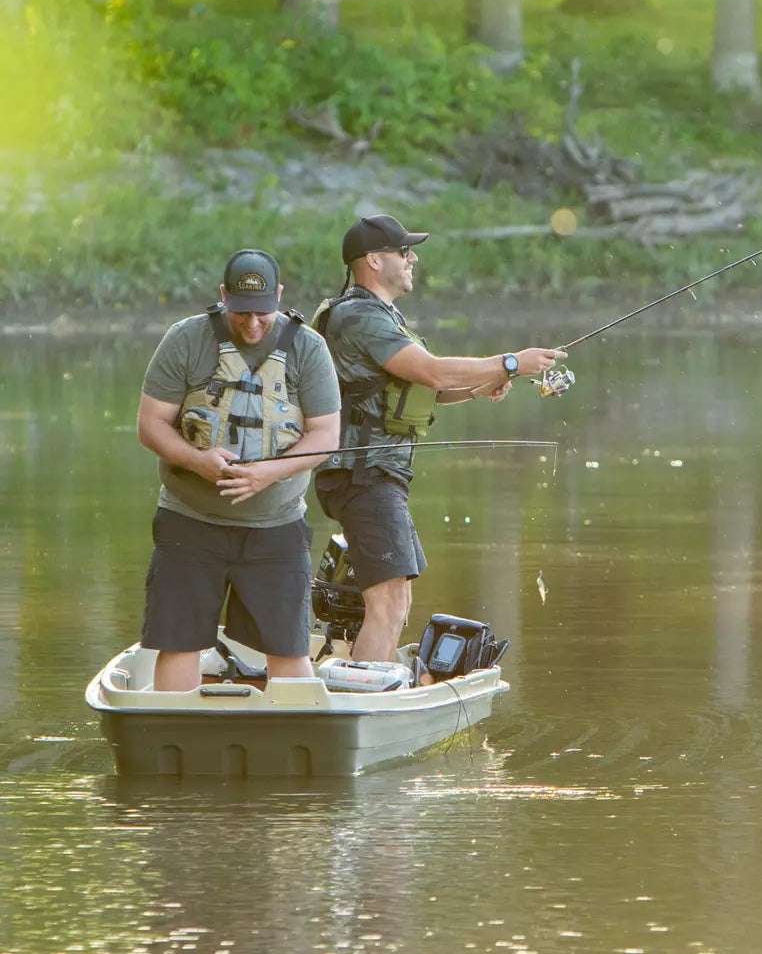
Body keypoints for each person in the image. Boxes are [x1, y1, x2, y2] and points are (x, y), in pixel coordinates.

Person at [312, 214, 566, 663]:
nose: (414, 258)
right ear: (373, 260)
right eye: (404, 251)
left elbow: (434, 388)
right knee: (387, 605)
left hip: (380, 474)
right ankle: (372, 702)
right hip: (362, 474)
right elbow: (431, 369)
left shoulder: (381, 315)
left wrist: (485, 383)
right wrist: (509, 363)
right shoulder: (356, 316)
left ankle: (377, 688)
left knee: (399, 602)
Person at [137, 249, 341, 691]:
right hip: (188, 521)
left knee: (290, 649)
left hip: (277, 527)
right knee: (178, 644)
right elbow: (150, 425)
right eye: (242, 312)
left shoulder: (308, 348)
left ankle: (294, 744)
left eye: (263, 314)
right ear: (224, 296)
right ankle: (176, 743)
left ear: (280, 297)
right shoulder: (186, 339)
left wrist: (269, 472)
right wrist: (197, 461)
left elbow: (326, 435)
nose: (252, 324)